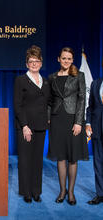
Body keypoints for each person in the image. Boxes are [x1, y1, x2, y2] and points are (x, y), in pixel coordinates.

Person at [47, 47, 89, 205]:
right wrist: (48, 119)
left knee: (72, 157)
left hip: (73, 120)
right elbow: (49, 101)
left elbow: (82, 99)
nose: (66, 61)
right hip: (57, 120)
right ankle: (62, 191)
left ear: (72, 60)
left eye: (69, 58)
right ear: (58, 59)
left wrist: (79, 122)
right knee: (61, 156)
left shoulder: (79, 76)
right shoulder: (52, 77)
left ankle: (71, 192)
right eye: (63, 58)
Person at [14, 45, 50, 203]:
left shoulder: (46, 82)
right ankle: (26, 192)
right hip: (26, 127)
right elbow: (18, 105)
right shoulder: (21, 80)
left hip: (41, 126)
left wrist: (48, 119)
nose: (34, 63)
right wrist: (25, 126)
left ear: (41, 63)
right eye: (31, 61)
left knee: (37, 160)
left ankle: (36, 191)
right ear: (26, 64)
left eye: (37, 61)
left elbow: (49, 103)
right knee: (25, 160)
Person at [86, 59, 103, 205]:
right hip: (98, 131)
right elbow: (90, 107)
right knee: (98, 163)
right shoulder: (95, 83)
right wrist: (88, 123)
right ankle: (100, 194)